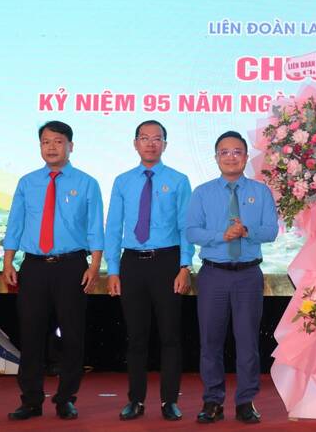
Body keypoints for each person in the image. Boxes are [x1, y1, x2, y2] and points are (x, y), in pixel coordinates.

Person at [2, 120, 104, 421]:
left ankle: (65, 399)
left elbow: (95, 226)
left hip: (71, 266)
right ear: (40, 146)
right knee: (31, 334)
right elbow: (15, 224)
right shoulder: (27, 182)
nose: (51, 147)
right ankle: (31, 400)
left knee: (72, 336)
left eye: (58, 141)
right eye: (46, 141)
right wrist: (8, 261)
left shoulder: (87, 183)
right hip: (33, 267)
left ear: (70, 146)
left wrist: (95, 265)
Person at [186, 131, 278, 425]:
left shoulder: (261, 191)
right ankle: (212, 401)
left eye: (237, 152)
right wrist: (220, 236)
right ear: (216, 157)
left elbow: (271, 231)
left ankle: (245, 401)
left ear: (245, 157)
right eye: (224, 152)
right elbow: (191, 231)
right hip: (213, 275)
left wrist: (246, 230)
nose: (230, 157)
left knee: (248, 341)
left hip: (248, 275)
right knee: (210, 342)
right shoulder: (201, 192)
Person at [104, 120, 194, 421]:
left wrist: (184, 266)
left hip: (167, 262)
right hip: (132, 263)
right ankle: (136, 401)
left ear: (165, 145)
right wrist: (113, 270)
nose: (150, 143)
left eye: (157, 139)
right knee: (136, 336)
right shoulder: (122, 181)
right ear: (135, 143)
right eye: (144, 138)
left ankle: (170, 401)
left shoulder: (179, 181)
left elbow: (185, 227)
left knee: (170, 336)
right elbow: (113, 227)